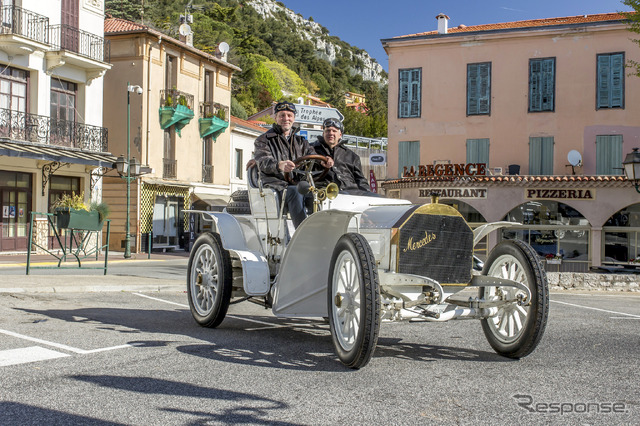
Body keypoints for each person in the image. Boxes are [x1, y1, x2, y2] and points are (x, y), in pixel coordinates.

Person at [254, 101, 333, 228]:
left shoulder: (301, 141)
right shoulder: (264, 140)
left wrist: (324, 162)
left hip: (297, 183)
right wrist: (279, 165)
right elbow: (263, 162)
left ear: (294, 118)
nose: (286, 119)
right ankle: (301, 235)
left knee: (317, 193)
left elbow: (313, 160)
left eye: (289, 115)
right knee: (295, 191)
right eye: (282, 115)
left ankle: (320, 230)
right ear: (276, 118)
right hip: (275, 184)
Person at [311, 118, 379, 196]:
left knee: (377, 198)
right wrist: (320, 161)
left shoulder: (352, 156)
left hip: (351, 193)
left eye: (334, 131)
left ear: (340, 135)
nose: (331, 133)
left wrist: (368, 194)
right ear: (323, 134)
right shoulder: (312, 150)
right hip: (325, 193)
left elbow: (360, 179)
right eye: (328, 130)